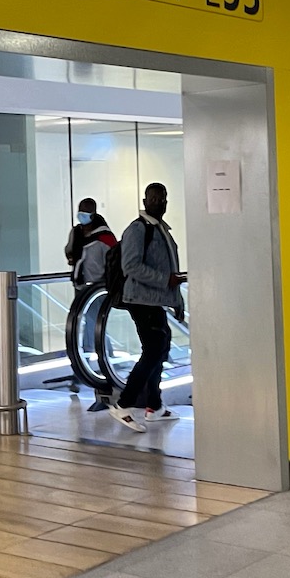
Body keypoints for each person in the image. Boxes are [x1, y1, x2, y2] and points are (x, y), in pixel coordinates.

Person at [109, 182, 184, 432]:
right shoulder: (138, 229)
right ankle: (124, 403)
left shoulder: (160, 229)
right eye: (154, 199)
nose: (159, 203)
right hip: (140, 301)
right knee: (153, 350)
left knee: (160, 350)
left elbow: (171, 267)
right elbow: (131, 266)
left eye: (162, 198)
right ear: (144, 201)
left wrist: (176, 300)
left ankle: (154, 405)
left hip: (155, 300)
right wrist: (166, 281)